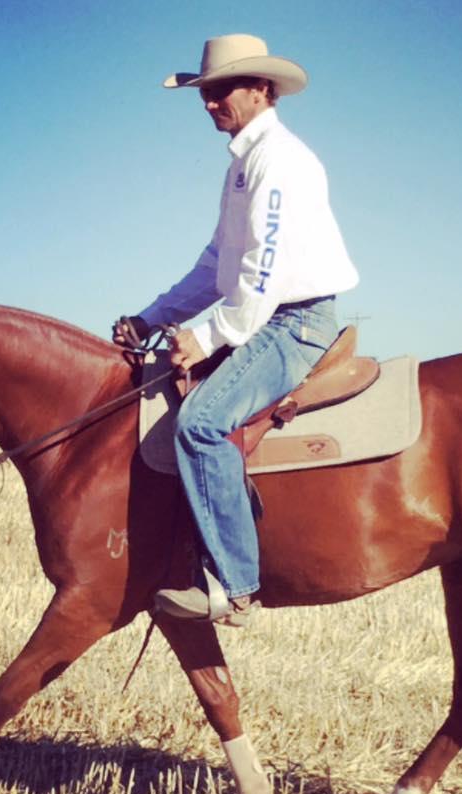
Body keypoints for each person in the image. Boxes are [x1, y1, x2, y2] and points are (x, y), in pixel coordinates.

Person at [115, 34, 358, 626]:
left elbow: (262, 275)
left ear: (261, 90)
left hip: (292, 321)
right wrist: (154, 316)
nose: (209, 102)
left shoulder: (279, 162)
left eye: (221, 90)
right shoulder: (244, 166)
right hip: (264, 315)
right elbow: (216, 265)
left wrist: (205, 337)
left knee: (200, 425)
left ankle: (235, 586)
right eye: (205, 92)